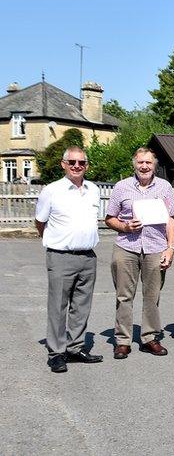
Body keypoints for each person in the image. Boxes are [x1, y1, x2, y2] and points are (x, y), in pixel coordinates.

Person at [104, 147, 174, 359]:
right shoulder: (121, 187)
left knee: (152, 296)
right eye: (140, 163)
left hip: (156, 248)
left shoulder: (165, 188)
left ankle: (149, 338)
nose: (144, 166)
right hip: (126, 247)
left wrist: (171, 248)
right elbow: (109, 218)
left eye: (148, 163)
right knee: (124, 295)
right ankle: (123, 340)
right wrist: (126, 227)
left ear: (154, 165)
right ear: (134, 164)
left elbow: (171, 219)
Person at [35, 146, 102, 372]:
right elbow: (40, 221)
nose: (76, 166)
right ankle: (56, 352)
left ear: (87, 165)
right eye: (71, 162)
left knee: (82, 306)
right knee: (58, 306)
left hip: (88, 256)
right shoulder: (52, 191)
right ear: (63, 164)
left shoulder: (93, 189)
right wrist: (54, 240)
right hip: (61, 256)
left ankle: (75, 348)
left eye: (81, 162)